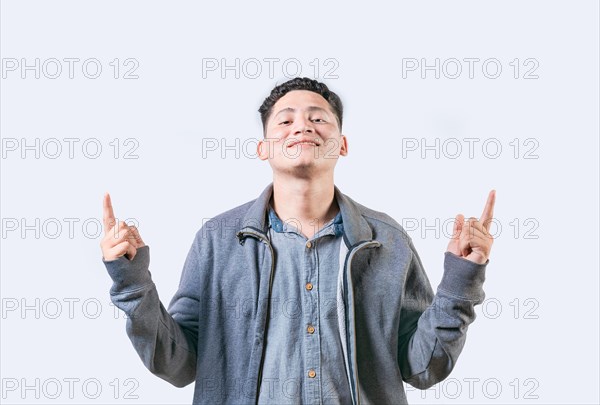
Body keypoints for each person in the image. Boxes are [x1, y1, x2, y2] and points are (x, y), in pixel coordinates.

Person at [100, 77, 496, 405]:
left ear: (341, 144)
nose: (302, 127)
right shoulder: (218, 240)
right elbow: (178, 364)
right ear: (263, 148)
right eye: (284, 121)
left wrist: (461, 281)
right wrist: (132, 283)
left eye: (318, 118)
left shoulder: (386, 241)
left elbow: (422, 367)